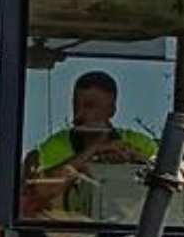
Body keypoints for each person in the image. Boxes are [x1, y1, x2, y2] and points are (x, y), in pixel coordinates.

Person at [19, 70, 159, 219]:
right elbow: (37, 194)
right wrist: (92, 153)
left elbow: (176, 178)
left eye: (89, 106)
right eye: (76, 105)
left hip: (131, 232)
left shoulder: (139, 143)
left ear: (111, 110)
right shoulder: (56, 144)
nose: (79, 113)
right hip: (67, 232)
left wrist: (135, 160)